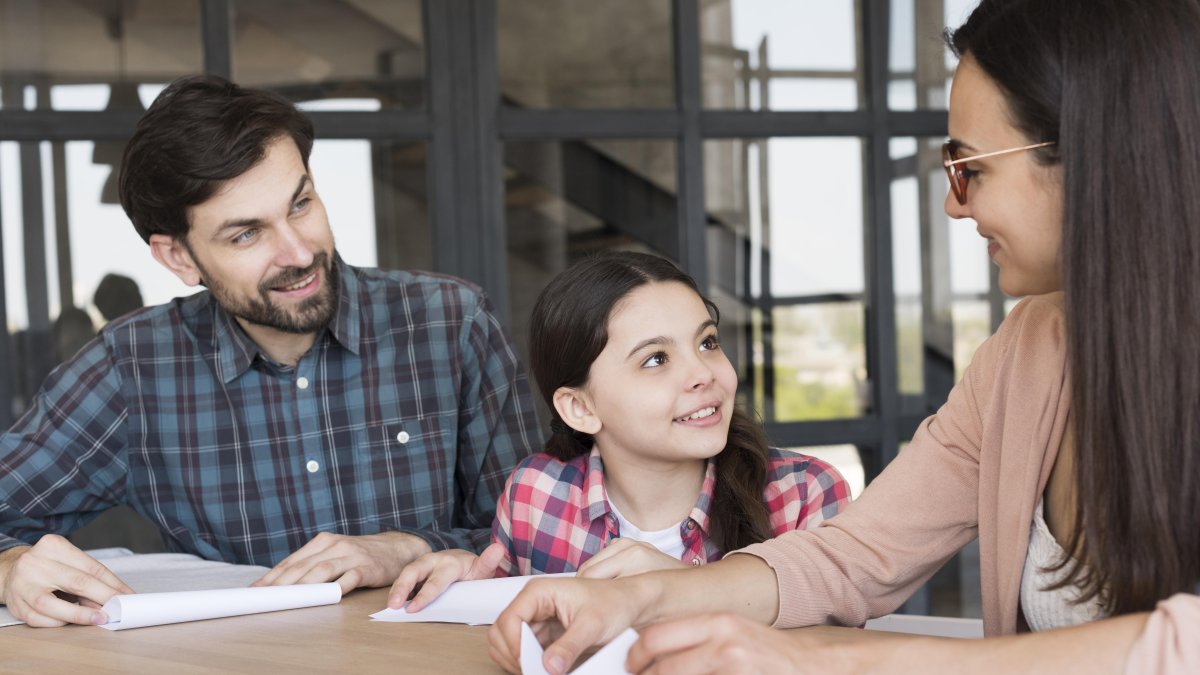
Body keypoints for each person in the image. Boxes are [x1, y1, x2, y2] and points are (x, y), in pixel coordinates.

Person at [487, 0, 1200, 672]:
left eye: (970, 168)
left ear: (1091, 157)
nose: (954, 204)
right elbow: (857, 554)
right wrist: (643, 594)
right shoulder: (1025, 354)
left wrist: (836, 660)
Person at [0, 75, 541, 628]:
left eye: (301, 204)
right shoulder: (132, 368)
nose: (299, 251)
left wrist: (408, 547)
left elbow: (538, 536)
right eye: (246, 235)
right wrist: (11, 566)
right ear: (179, 259)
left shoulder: (450, 323)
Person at [386, 252, 851, 612]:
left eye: (707, 343)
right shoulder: (536, 494)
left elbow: (839, 649)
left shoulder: (804, 494)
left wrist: (680, 592)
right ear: (580, 408)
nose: (703, 374)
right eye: (656, 359)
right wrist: (469, 584)